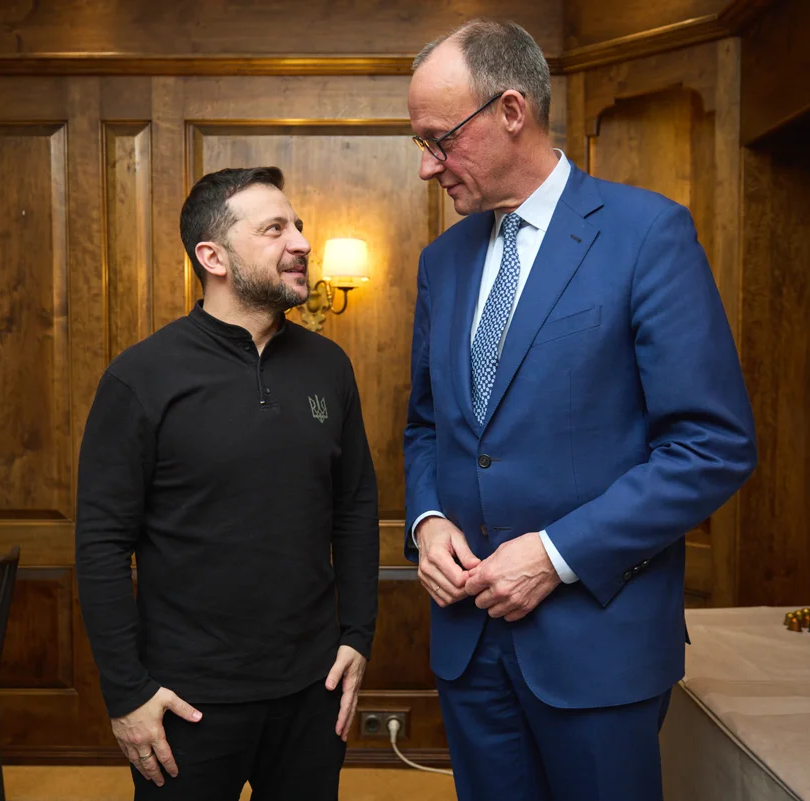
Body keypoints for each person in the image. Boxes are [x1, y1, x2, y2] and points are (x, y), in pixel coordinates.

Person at [403, 19, 758, 801]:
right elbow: (428, 425)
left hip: (597, 645)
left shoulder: (646, 234)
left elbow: (712, 444)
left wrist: (556, 553)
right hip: (467, 645)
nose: (428, 166)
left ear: (511, 110)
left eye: (440, 140)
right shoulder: (442, 261)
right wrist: (425, 521)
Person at [75, 166, 380, 801]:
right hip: (185, 700)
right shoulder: (141, 377)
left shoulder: (329, 365)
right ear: (212, 257)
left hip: (312, 690)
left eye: (298, 226)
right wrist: (127, 693)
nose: (301, 242)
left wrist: (358, 635)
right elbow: (102, 546)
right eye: (275, 229)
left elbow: (354, 507)